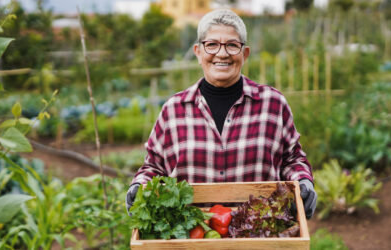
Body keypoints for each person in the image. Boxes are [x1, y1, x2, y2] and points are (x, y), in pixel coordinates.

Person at [126, 9, 317, 219]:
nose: (222, 53)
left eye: (232, 45)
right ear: (198, 52)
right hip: (192, 237)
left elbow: (292, 159)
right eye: (212, 44)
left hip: (259, 236)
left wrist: (303, 181)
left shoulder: (272, 104)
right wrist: (139, 185)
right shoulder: (174, 110)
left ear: (245, 54)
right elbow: (154, 167)